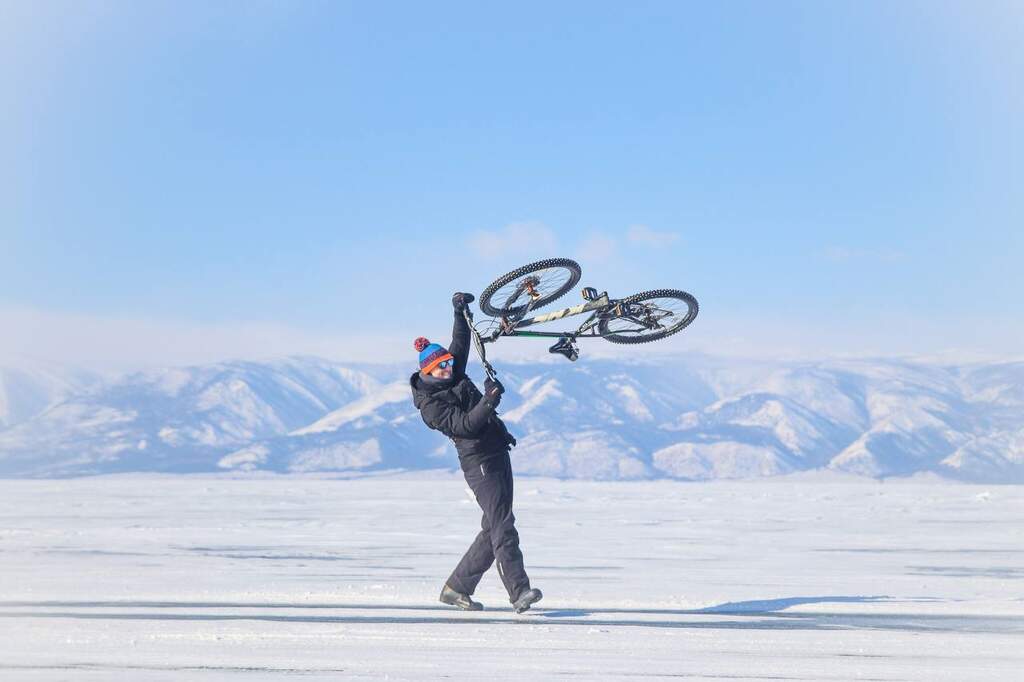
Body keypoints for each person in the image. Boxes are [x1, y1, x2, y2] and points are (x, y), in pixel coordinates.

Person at [409, 292, 543, 614]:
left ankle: (457, 587)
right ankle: (519, 591)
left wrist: (459, 311)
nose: (448, 369)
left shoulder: (450, 371)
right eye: (441, 367)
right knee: (502, 526)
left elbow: (460, 340)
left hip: (497, 450)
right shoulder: (430, 407)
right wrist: (488, 401)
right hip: (479, 463)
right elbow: (466, 425)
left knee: (493, 526)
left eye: (449, 364)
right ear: (427, 371)